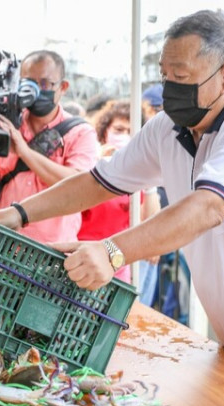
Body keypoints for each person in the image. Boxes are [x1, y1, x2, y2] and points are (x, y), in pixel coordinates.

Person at [0, 10, 224, 398]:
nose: (168, 88)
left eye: (180, 77)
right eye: (164, 76)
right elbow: (100, 181)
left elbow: (207, 207)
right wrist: (19, 213)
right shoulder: (167, 128)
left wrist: (112, 252)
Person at [0, 49, 99, 243]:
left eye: (45, 83)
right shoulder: (7, 125)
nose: (36, 90)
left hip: (51, 253)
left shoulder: (80, 132)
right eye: (29, 82)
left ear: (63, 87)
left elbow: (79, 185)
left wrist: (24, 151)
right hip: (1, 249)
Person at [79, 100, 161, 289]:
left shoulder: (137, 175)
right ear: (104, 131)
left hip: (117, 263)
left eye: (130, 131)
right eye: (118, 129)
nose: (124, 136)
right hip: (83, 255)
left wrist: (149, 182)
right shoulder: (89, 164)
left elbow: (150, 222)